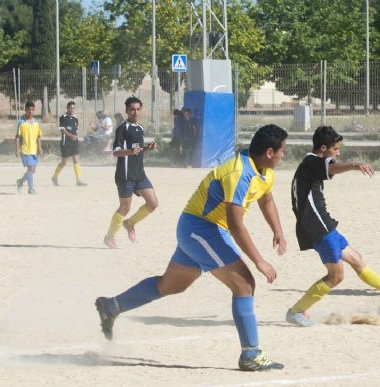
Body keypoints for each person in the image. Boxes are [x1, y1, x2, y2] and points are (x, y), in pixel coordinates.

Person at [95, 124, 288, 371]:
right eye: (282, 151)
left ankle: (111, 306)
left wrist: (278, 231)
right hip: (202, 229)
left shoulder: (264, 171)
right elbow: (236, 224)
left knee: (170, 285)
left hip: (198, 229)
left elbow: (266, 198)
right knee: (244, 283)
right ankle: (250, 354)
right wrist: (259, 261)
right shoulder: (239, 173)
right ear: (270, 152)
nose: (284, 155)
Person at [285, 126, 380, 327]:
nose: (338, 153)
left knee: (357, 260)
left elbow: (328, 169)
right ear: (323, 148)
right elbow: (330, 168)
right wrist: (354, 165)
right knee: (336, 276)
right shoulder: (311, 161)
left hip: (323, 223)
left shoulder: (310, 163)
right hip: (317, 227)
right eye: (335, 149)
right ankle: (296, 311)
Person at [103, 97, 158, 249]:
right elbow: (116, 152)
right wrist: (130, 151)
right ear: (127, 111)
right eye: (132, 109)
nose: (135, 112)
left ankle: (129, 223)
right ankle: (109, 237)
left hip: (139, 174)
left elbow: (137, 150)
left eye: (138, 109)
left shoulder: (139, 128)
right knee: (124, 208)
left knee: (153, 204)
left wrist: (147, 148)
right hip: (125, 175)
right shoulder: (123, 128)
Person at [51, 101, 87, 186]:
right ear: (67, 108)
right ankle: (54, 177)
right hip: (65, 142)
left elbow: (75, 129)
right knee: (64, 162)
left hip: (74, 142)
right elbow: (62, 129)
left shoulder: (75, 118)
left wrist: (75, 137)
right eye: (70, 107)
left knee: (76, 160)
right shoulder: (63, 117)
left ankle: (78, 180)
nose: (72, 109)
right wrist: (70, 135)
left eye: (73, 108)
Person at [15, 101, 43, 194]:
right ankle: (31, 189)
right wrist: (17, 149)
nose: (30, 111)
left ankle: (20, 181)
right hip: (25, 150)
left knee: (32, 170)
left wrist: (40, 148)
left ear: (34, 110)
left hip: (33, 150)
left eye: (32, 109)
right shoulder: (21, 122)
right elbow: (17, 137)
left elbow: (38, 137)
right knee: (30, 168)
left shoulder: (36, 123)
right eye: (28, 109)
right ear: (25, 110)